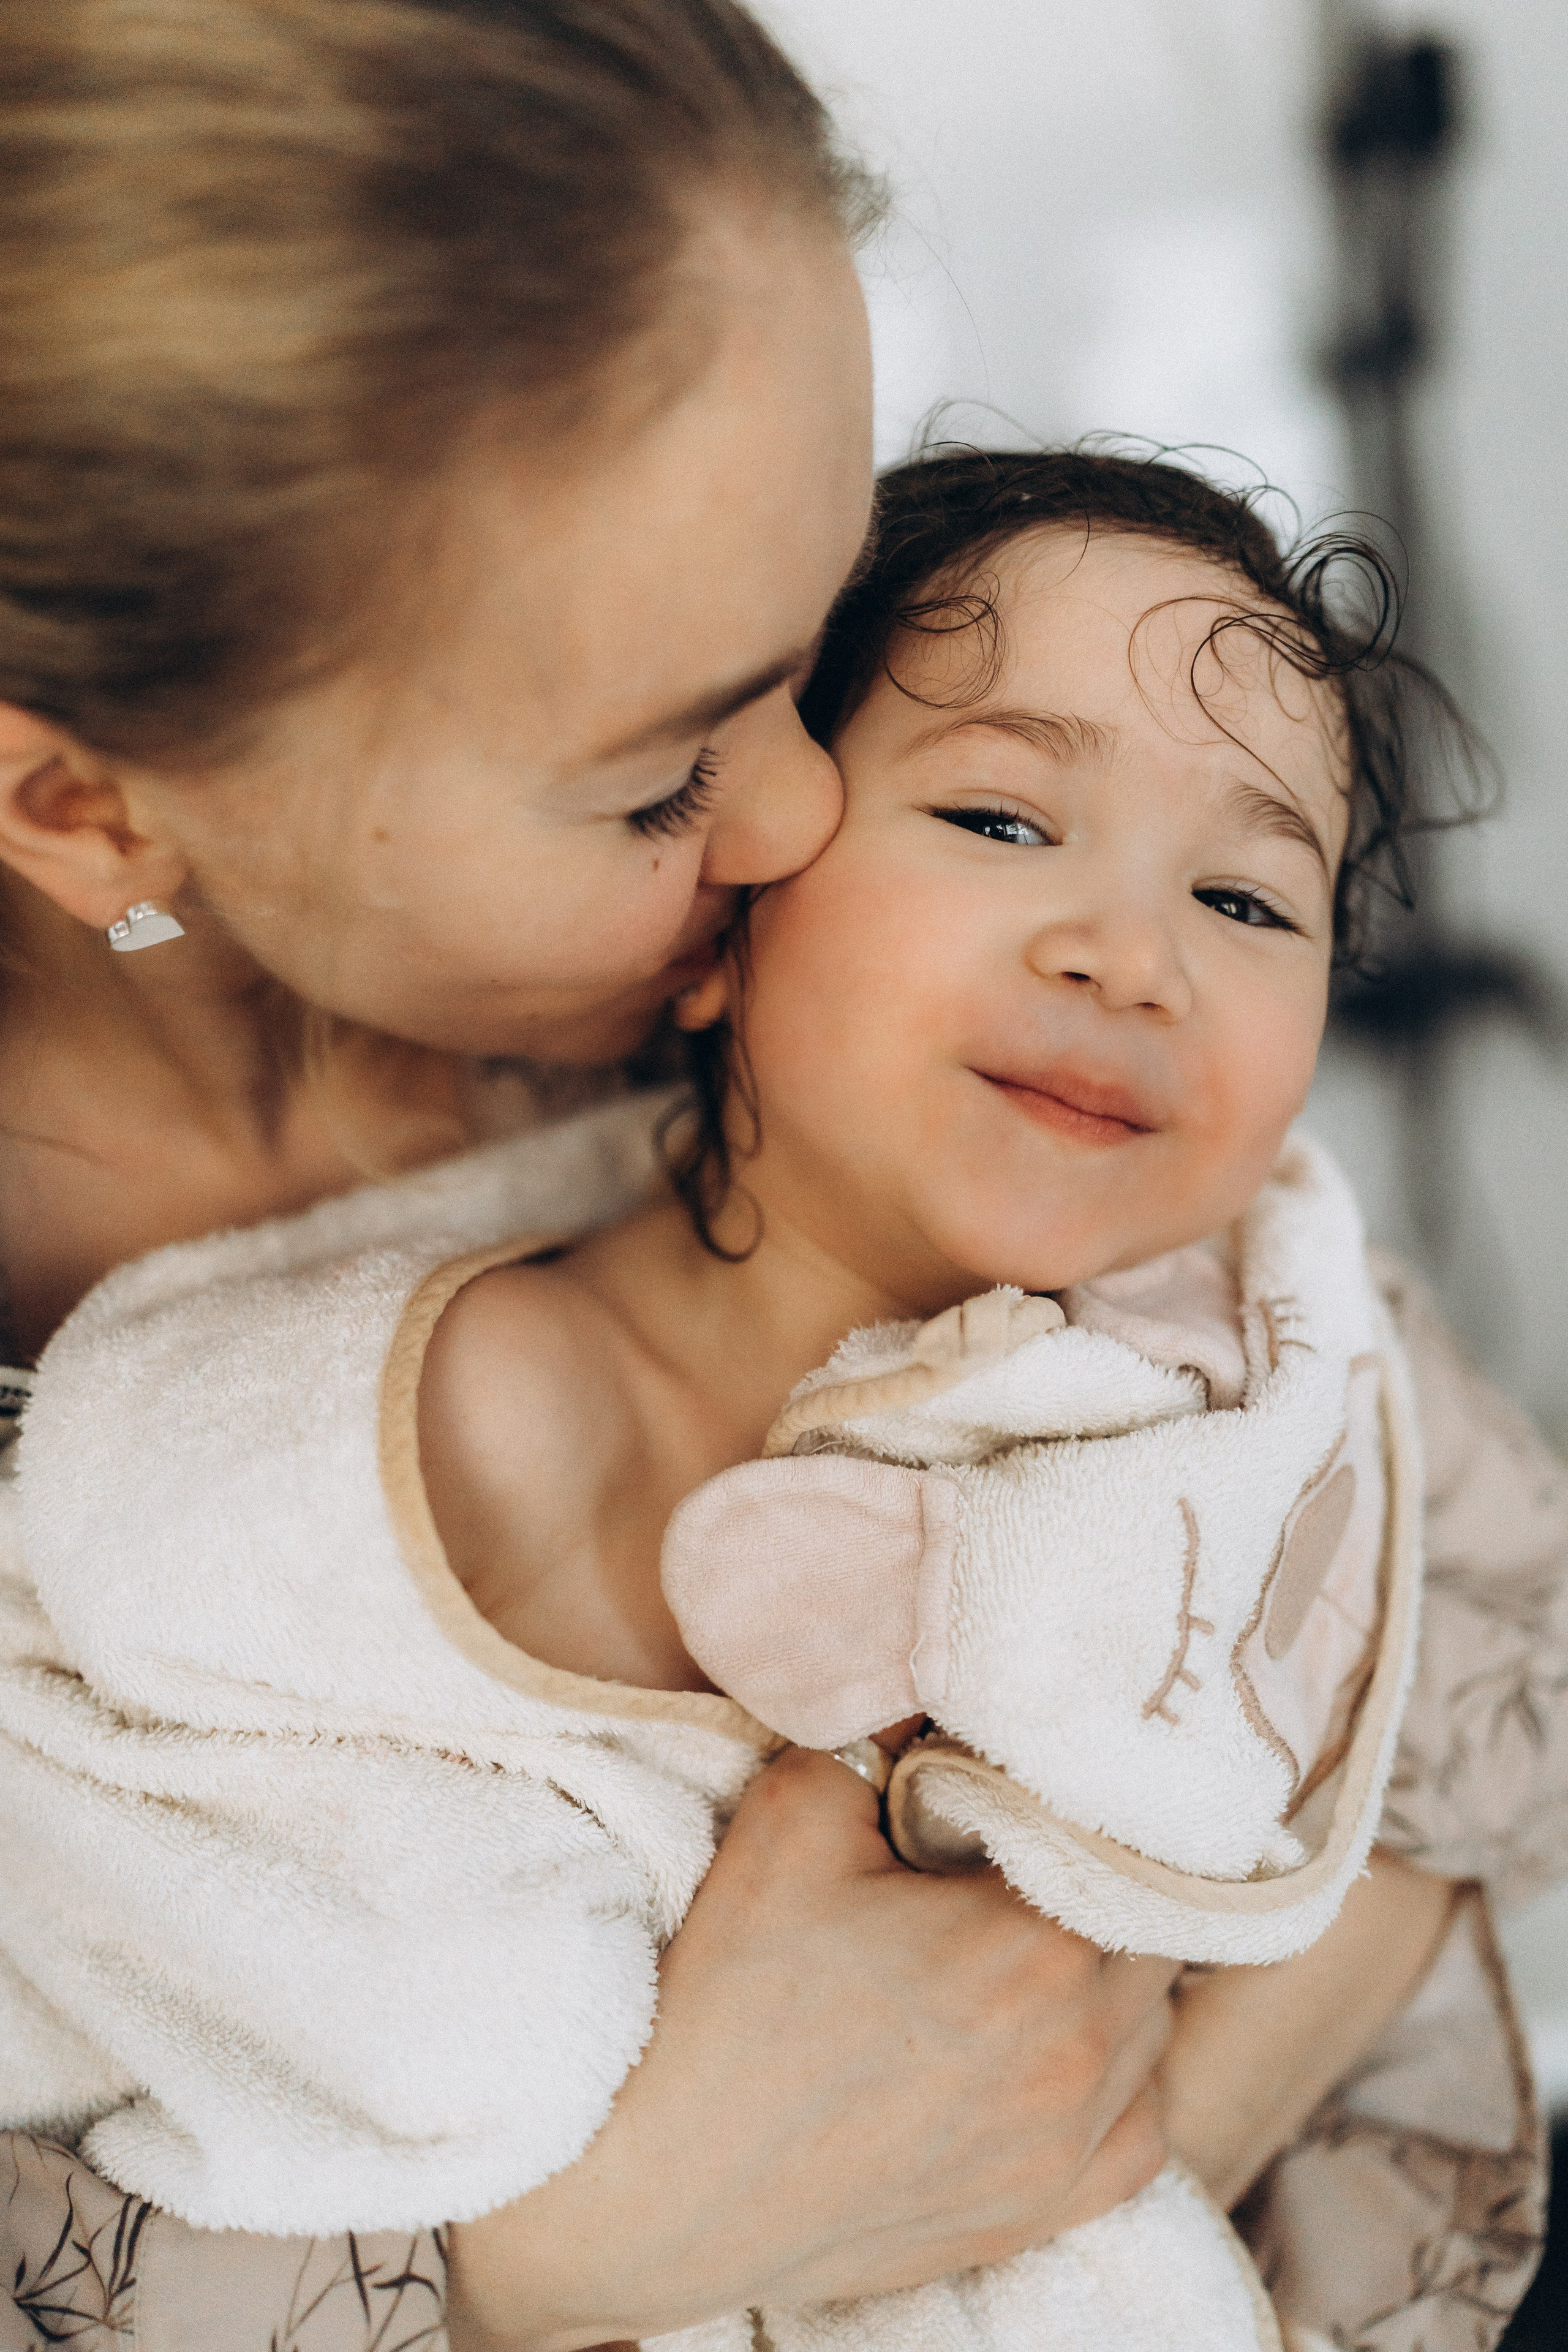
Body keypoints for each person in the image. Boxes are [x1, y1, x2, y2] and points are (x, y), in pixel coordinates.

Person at [0, 7, 1556, 2351]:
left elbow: (1441, 1597)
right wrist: (575, 2265)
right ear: (90, 812)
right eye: (653, 779)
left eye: (806, 659)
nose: (803, 812)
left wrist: (1121, 2160)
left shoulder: (859, 1021)